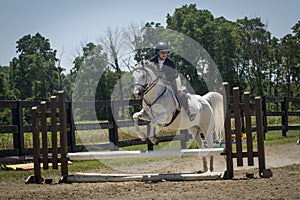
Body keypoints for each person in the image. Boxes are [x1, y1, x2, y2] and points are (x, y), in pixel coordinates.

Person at [149, 42, 195, 121]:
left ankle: (189, 111)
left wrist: (164, 79)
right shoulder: (152, 61)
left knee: (179, 91)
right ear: (158, 52)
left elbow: (172, 76)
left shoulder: (170, 62)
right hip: (159, 81)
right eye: (162, 52)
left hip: (173, 78)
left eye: (166, 52)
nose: (164, 54)